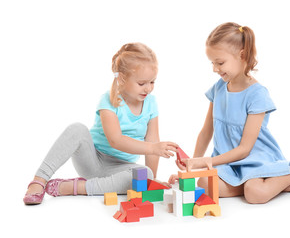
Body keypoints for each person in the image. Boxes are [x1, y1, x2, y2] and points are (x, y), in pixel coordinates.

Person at [169, 22, 290, 204]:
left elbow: (244, 149)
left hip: (255, 159)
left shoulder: (257, 95)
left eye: (220, 63)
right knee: (204, 184)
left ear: (241, 55)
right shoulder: (218, 89)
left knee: (254, 194)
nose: (215, 69)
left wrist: (202, 163)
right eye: (212, 63)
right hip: (228, 162)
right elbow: (206, 132)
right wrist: (192, 167)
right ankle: (282, 183)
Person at [24, 42, 178, 205]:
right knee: (77, 129)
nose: (148, 88)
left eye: (152, 82)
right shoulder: (109, 101)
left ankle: (79, 187)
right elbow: (115, 140)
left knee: (145, 173)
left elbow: (152, 141)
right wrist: (153, 148)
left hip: (120, 168)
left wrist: (151, 181)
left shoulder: (151, 103)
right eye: (142, 83)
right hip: (93, 160)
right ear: (123, 78)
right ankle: (39, 180)